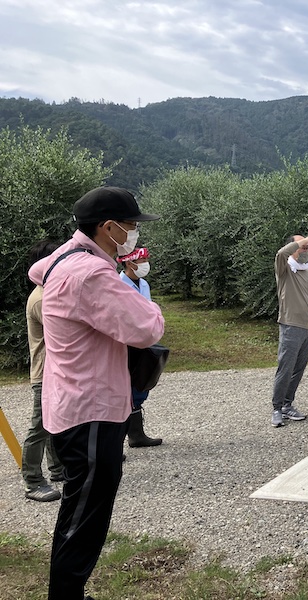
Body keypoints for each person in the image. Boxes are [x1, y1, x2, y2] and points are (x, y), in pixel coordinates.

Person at [28, 186, 165, 600]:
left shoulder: (64, 259)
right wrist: (141, 295)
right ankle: (66, 595)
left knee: (81, 508)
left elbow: (36, 271)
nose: (134, 233)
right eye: (130, 226)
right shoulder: (90, 273)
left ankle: (69, 591)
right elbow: (148, 327)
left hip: (72, 402)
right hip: (91, 410)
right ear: (107, 228)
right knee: (84, 515)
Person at [21, 240, 64, 503]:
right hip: (44, 373)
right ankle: (32, 481)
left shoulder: (48, 293)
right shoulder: (40, 299)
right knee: (39, 428)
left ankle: (58, 469)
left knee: (53, 424)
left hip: (54, 371)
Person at [271, 235, 308, 428]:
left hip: (307, 328)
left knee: (298, 370)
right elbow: (280, 253)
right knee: (285, 368)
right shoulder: (285, 269)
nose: (306, 248)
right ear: (292, 247)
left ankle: (287, 405)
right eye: (302, 245)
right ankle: (277, 408)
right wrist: (303, 240)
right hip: (290, 325)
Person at [118, 246, 163, 447]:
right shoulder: (118, 283)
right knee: (123, 388)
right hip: (126, 343)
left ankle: (137, 434)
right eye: (142, 261)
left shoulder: (143, 283)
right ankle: (122, 437)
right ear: (129, 263)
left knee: (140, 384)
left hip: (144, 340)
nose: (145, 265)